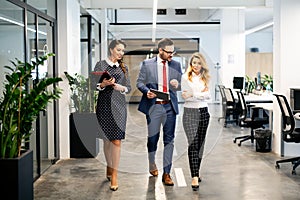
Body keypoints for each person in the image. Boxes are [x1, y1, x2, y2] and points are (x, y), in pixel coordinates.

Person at [136, 38, 182, 186]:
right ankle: (151, 162)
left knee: (169, 140)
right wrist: (146, 91)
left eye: (173, 52)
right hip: (153, 107)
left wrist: (177, 84)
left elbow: (180, 85)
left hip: (169, 107)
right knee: (153, 139)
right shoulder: (147, 64)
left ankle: (167, 173)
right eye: (168, 52)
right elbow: (140, 82)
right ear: (160, 51)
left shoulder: (175, 64)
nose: (171, 55)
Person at [94, 39, 131, 191]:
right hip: (104, 106)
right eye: (119, 50)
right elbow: (94, 85)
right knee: (106, 141)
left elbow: (128, 87)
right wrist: (103, 84)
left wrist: (121, 87)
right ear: (111, 50)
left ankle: (114, 174)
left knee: (116, 140)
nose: (121, 53)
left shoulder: (124, 67)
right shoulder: (100, 65)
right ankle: (109, 165)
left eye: (123, 51)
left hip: (119, 106)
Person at [181, 52, 211, 190]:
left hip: (204, 113)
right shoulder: (185, 78)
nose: (196, 66)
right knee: (193, 144)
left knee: (200, 145)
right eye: (194, 63)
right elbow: (186, 97)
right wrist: (199, 95)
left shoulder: (206, 78)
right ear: (190, 64)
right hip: (190, 113)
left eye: (199, 63)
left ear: (202, 65)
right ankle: (194, 177)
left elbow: (208, 96)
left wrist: (194, 94)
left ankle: (196, 172)